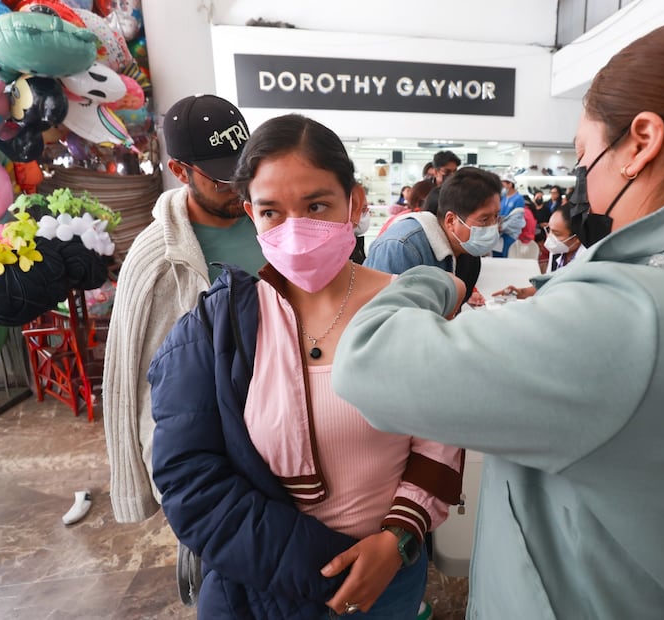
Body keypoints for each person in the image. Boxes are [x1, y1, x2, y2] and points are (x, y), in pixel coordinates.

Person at [332, 18, 664, 619]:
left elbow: (368, 363)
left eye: (587, 157)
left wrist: (438, 278)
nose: (586, 184)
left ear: (641, 140)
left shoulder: (632, 314)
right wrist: (565, 291)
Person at [148, 113, 462, 619]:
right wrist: (328, 569)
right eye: (272, 211)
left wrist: (395, 542)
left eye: (316, 205)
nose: (296, 230)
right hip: (269, 586)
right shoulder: (221, 325)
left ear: (354, 203)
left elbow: (440, 441)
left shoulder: (403, 310)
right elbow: (189, 478)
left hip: (391, 579)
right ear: (252, 213)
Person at [103, 94, 265, 524]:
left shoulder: (272, 223)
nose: (238, 188)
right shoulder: (158, 257)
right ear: (179, 171)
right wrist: (156, 486)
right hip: (215, 455)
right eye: (222, 179)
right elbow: (135, 379)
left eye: (244, 172)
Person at [365, 167, 500, 308]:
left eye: (496, 216)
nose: (493, 226)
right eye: (484, 219)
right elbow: (381, 318)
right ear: (451, 221)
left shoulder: (467, 252)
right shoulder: (402, 248)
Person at [497, 202, 582, 298]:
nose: (550, 237)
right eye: (549, 230)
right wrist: (520, 293)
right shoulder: (557, 252)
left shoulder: (586, 262)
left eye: (557, 234)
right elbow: (548, 286)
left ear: (577, 238)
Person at [492, 172, 525, 257]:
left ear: (510, 184)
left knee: (507, 256)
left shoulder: (518, 199)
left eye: (503, 185)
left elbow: (516, 218)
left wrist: (502, 227)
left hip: (510, 234)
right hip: (498, 234)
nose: (502, 188)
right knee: (497, 256)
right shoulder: (502, 197)